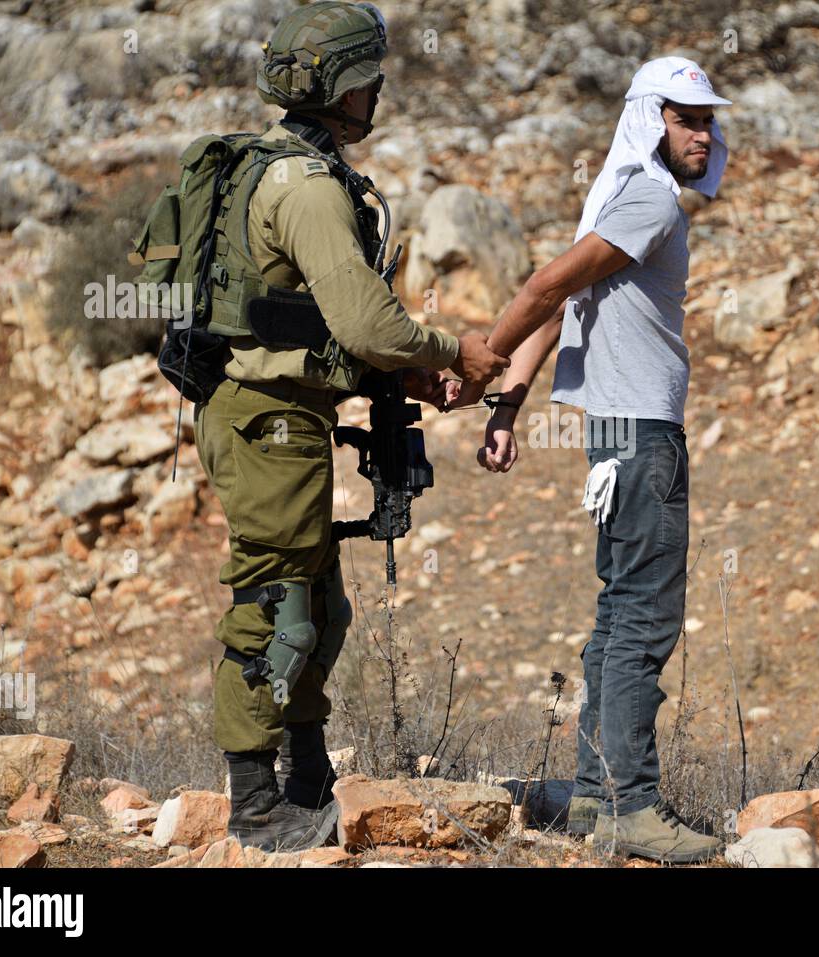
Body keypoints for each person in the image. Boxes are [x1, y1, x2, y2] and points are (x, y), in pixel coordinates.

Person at [194, 0, 507, 852]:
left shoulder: (295, 168)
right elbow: (368, 325)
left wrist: (414, 371)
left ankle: (306, 780)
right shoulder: (306, 186)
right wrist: (451, 349)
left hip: (284, 416)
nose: (377, 96)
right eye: (368, 81)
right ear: (336, 87)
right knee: (273, 608)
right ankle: (256, 807)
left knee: (318, 607)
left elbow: (335, 327)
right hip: (266, 418)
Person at [453, 56, 730, 863]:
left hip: (612, 437)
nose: (704, 133)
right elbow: (544, 290)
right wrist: (483, 362)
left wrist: (505, 401)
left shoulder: (616, 197)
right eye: (686, 118)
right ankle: (630, 808)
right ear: (652, 119)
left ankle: (590, 796)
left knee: (617, 615)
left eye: (709, 119)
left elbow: (556, 295)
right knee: (645, 617)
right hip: (642, 439)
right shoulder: (646, 199)